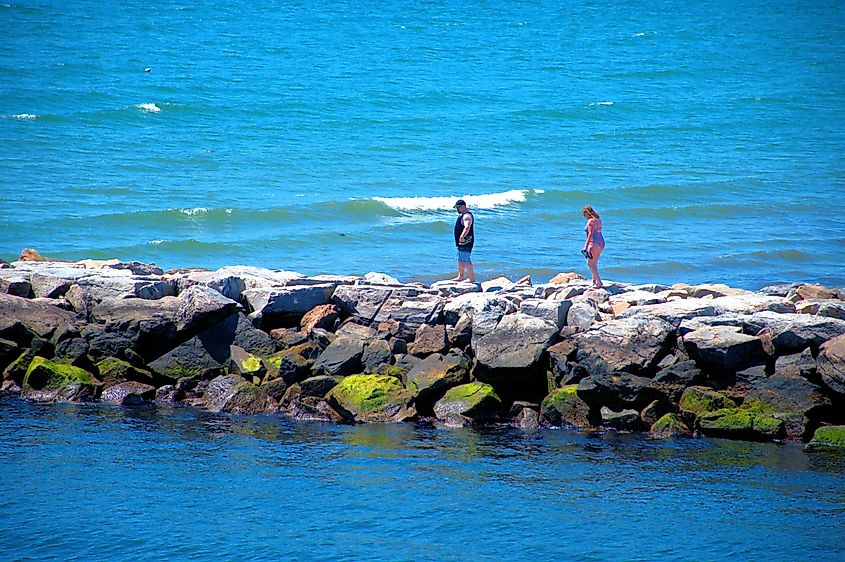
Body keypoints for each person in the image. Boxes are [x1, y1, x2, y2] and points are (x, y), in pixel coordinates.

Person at [451, 199, 475, 283]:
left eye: (458, 207)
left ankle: (471, 278)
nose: (457, 209)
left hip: (466, 241)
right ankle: (460, 276)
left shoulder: (467, 216)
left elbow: (467, 227)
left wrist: (462, 236)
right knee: (460, 259)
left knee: (465, 259)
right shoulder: (462, 215)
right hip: (461, 241)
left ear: (463, 206)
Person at [581, 205, 605, 288]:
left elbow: (590, 234)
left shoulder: (591, 221)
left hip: (594, 242)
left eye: (584, 215)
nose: (584, 217)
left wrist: (585, 246)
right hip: (601, 242)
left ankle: (598, 282)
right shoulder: (598, 219)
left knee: (590, 263)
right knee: (594, 263)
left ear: (587, 213)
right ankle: (594, 281)